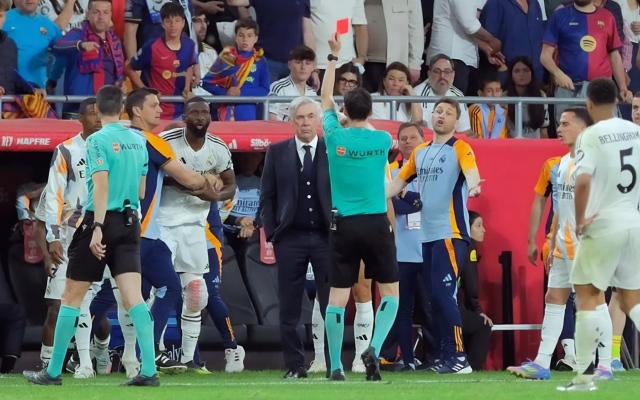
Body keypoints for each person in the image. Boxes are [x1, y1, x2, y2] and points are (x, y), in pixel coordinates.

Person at [23, 85, 157, 387]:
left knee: (71, 297)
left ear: (98, 108)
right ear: (122, 108)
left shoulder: (97, 140)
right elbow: (141, 191)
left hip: (100, 222)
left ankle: (52, 372)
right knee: (134, 298)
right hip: (130, 223)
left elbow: (101, 186)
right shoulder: (139, 140)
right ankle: (149, 370)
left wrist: (97, 227)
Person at [320, 32, 399, 382]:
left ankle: (336, 366)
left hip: (344, 224)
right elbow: (367, 124)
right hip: (376, 222)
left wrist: (333, 57)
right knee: (391, 293)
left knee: (337, 298)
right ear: (370, 111)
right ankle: (374, 349)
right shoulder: (383, 139)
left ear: (345, 111)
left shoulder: (335, 136)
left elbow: (324, 98)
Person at [386, 97, 483, 374]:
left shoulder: (460, 147)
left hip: (450, 233)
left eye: (448, 112)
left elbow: (471, 172)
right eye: (438, 110)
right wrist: (365, 195)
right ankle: (445, 355)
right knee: (435, 300)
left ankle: (460, 357)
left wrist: (474, 185)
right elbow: (395, 186)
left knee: (443, 295)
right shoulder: (420, 152)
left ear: (456, 121)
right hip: (427, 237)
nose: (441, 115)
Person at [125, 88, 218, 374]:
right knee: (164, 288)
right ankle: (144, 353)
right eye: (154, 105)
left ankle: (130, 357)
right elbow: (190, 180)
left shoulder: (114, 139)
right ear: (137, 110)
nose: (160, 109)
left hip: (110, 229)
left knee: (104, 295)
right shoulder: (152, 141)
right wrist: (209, 180)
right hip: (141, 233)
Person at [558, 78, 640, 392]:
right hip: (633, 223)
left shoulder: (590, 135)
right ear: (618, 101)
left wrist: (581, 219)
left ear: (589, 103)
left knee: (588, 297)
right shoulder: (635, 132)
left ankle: (583, 377)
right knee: (631, 300)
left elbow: (582, 182)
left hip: (604, 224)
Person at [507, 107, 595, 380]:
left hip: (587, 243)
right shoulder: (562, 163)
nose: (559, 128)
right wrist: (549, 238)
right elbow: (560, 208)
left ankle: (599, 363)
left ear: (583, 129)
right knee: (555, 298)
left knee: (592, 302)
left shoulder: (596, 162)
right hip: (562, 243)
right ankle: (542, 363)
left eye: (566, 124)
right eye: (559, 123)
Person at [156, 97, 238, 368]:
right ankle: (154, 352)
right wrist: (191, 183)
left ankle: (189, 359)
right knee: (159, 289)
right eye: (194, 112)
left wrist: (214, 195)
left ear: (211, 117)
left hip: (195, 226)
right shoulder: (166, 140)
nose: (200, 117)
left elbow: (230, 185)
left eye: (204, 112)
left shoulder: (218, 147)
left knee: (196, 292)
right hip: (163, 223)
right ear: (184, 117)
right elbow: (152, 175)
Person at [258, 96, 332, 379]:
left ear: (318, 120)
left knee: (331, 304)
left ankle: (333, 364)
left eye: (310, 117)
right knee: (289, 305)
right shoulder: (277, 152)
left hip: (326, 237)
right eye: (300, 117)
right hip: (290, 238)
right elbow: (267, 196)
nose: (305, 123)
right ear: (291, 122)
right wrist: (272, 232)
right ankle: (295, 366)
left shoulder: (332, 150)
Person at [30, 98, 102, 378]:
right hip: (70, 237)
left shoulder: (112, 147)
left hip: (105, 234)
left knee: (101, 307)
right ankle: (50, 364)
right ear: (80, 118)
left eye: (101, 113)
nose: (98, 118)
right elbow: (45, 214)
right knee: (58, 307)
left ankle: (103, 355)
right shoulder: (67, 151)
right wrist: (50, 247)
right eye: (92, 114)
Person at [389, 121, 425, 371]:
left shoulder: (431, 172)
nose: (408, 142)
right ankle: (408, 359)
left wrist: (408, 200)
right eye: (404, 138)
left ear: (423, 141)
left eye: (413, 137)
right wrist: (415, 202)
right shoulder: (392, 172)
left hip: (430, 249)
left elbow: (431, 203)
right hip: (401, 251)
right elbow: (391, 205)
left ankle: (438, 357)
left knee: (434, 307)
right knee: (403, 309)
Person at [458, 211, 492, 371]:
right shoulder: (468, 245)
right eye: (478, 226)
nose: (483, 230)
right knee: (482, 326)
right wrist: (477, 310)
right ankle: (473, 368)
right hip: (443, 308)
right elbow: (470, 282)